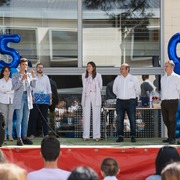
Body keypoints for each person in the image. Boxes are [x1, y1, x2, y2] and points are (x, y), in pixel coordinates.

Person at [113, 63, 140, 143]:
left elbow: (138, 90)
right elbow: (114, 89)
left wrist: (134, 97)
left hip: (131, 101)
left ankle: (133, 136)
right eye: (120, 68)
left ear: (127, 69)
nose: (120, 70)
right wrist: (120, 95)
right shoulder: (118, 78)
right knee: (119, 119)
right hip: (120, 101)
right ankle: (120, 136)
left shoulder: (133, 78)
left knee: (132, 119)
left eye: (122, 68)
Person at [12, 58, 36, 146]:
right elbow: (14, 87)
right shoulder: (15, 75)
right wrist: (22, 80)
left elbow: (33, 85)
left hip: (28, 97)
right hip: (20, 97)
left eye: (26, 65)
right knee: (19, 118)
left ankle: (24, 137)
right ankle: (19, 138)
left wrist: (33, 77)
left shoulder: (29, 75)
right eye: (23, 65)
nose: (25, 66)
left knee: (26, 119)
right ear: (20, 65)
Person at [28, 63, 52, 139]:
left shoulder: (46, 77)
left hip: (45, 99)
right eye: (39, 67)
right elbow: (31, 88)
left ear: (43, 69)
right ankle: (32, 134)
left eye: (41, 67)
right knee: (33, 117)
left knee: (44, 118)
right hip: (35, 98)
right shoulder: (33, 77)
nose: (40, 68)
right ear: (36, 68)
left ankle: (45, 134)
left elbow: (49, 89)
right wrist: (31, 97)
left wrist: (50, 99)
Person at [81, 61, 102, 142]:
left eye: (89, 66)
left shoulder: (98, 76)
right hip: (87, 95)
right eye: (87, 66)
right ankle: (85, 135)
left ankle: (96, 135)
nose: (88, 67)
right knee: (86, 115)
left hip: (95, 95)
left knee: (96, 115)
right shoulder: (83, 76)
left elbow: (100, 87)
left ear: (93, 67)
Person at [161, 60, 180, 144]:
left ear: (172, 67)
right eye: (165, 66)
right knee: (166, 120)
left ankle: (172, 138)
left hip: (173, 101)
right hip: (164, 101)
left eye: (167, 66)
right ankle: (170, 137)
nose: (165, 68)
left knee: (172, 119)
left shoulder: (177, 77)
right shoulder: (163, 78)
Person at [0, 66, 14, 141]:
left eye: (8, 71)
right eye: (6, 71)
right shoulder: (0, 81)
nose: (7, 72)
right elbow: (1, 90)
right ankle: (4, 136)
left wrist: (6, 91)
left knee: (10, 119)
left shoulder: (12, 81)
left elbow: (14, 90)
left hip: (11, 101)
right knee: (4, 119)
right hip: (3, 101)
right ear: (3, 72)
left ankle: (10, 135)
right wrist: (9, 90)